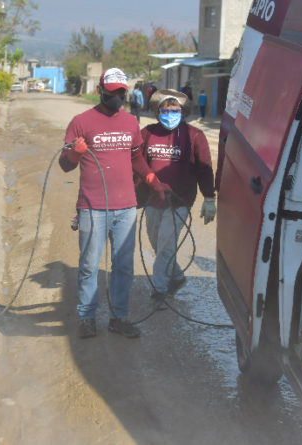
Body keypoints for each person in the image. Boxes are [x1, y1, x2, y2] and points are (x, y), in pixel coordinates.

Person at [59, 67, 170, 339]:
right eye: (112, 93)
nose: (118, 97)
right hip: (92, 207)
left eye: (122, 92)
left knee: (123, 266)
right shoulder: (80, 122)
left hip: (126, 208)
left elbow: (136, 159)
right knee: (89, 264)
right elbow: (64, 165)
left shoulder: (131, 123)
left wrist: (151, 177)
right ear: (101, 91)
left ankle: (119, 317)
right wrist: (75, 153)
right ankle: (87, 317)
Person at [139, 89, 216, 301]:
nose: (170, 114)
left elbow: (205, 168)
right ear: (157, 112)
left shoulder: (194, 136)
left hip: (180, 200)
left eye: (175, 110)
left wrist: (209, 198)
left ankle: (160, 290)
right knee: (157, 243)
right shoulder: (148, 133)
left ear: (183, 112)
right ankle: (178, 276)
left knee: (165, 245)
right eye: (165, 110)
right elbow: (137, 163)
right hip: (152, 199)